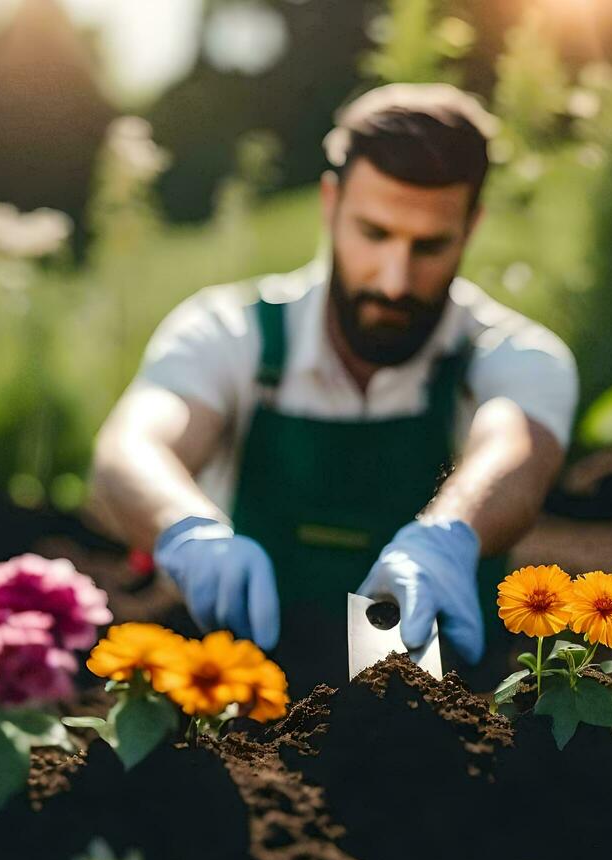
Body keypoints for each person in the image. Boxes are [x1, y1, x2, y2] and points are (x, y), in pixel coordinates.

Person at [87, 83, 577, 671]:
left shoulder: (507, 352)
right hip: (243, 692)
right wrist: (186, 531)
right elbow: (131, 446)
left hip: (431, 705)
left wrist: (448, 535)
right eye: (374, 233)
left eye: (430, 245)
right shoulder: (231, 332)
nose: (395, 280)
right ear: (330, 204)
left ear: (471, 227)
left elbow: (517, 447)